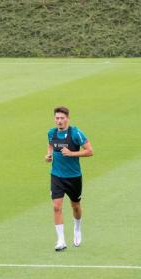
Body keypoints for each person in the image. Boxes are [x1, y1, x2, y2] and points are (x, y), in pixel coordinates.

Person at [45, 106, 93, 251]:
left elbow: (90, 151)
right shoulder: (51, 133)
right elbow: (50, 146)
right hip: (57, 176)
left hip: (73, 177)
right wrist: (48, 155)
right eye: (57, 118)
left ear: (67, 119)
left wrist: (71, 153)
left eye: (62, 118)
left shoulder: (75, 133)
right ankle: (61, 241)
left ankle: (77, 229)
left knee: (75, 206)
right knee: (56, 206)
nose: (59, 121)